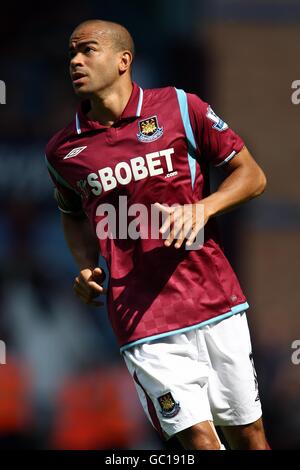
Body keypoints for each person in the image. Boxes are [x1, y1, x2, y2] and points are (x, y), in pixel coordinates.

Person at [45, 19, 269, 450]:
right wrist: (85, 266)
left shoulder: (181, 107)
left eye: (87, 50)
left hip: (214, 300)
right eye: (71, 53)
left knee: (250, 438)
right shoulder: (62, 150)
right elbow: (71, 213)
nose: (75, 60)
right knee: (201, 443)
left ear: (123, 60)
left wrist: (204, 207)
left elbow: (253, 176)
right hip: (142, 319)